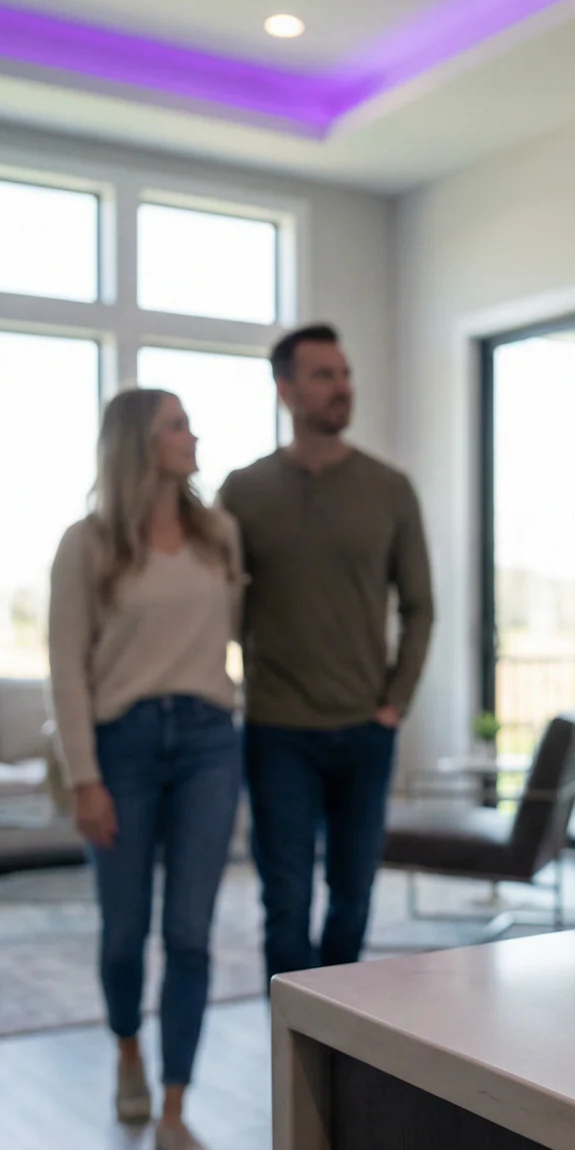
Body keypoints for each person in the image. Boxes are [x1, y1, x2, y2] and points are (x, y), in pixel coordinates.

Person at [48, 388, 244, 1150]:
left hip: (208, 743)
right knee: (124, 931)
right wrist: (84, 778)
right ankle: (128, 1048)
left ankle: (175, 1109)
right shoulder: (86, 545)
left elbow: (238, 634)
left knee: (190, 933)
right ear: (139, 443)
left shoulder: (219, 534)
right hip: (122, 746)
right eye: (177, 425)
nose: (193, 436)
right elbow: (66, 668)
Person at [218, 324, 433, 981]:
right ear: (286, 391)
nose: (343, 387)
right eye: (323, 376)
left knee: (352, 899)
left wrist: (395, 703)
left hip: (365, 730)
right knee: (284, 904)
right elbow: (218, 605)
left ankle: (336, 1032)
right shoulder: (243, 491)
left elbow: (420, 605)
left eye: (345, 374)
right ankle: (291, 1040)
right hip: (277, 730)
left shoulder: (389, 488)